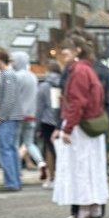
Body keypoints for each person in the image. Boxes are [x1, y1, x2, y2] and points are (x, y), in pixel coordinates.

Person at [52, 36, 109, 218]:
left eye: (65, 52)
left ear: (76, 51)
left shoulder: (77, 71)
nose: (62, 56)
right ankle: (95, 211)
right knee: (93, 168)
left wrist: (66, 128)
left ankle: (83, 213)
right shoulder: (88, 70)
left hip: (80, 127)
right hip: (91, 125)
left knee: (80, 168)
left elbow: (77, 102)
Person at [0, 47, 23, 193]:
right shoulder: (7, 74)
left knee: (5, 150)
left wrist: (1, 115)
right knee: (11, 149)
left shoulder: (7, 75)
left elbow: (9, 98)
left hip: (8, 118)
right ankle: (14, 180)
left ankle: (11, 182)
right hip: (11, 117)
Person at [10, 50, 44, 177]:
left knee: (14, 144)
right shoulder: (33, 77)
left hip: (18, 114)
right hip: (31, 114)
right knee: (29, 143)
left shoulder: (16, 76)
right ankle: (41, 163)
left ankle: (16, 171)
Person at [35, 58, 63, 187]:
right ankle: (62, 176)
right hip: (62, 120)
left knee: (49, 150)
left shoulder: (44, 85)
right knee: (62, 150)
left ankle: (52, 178)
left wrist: (38, 125)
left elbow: (39, 108)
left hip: (47, 121)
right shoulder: (64, 83)